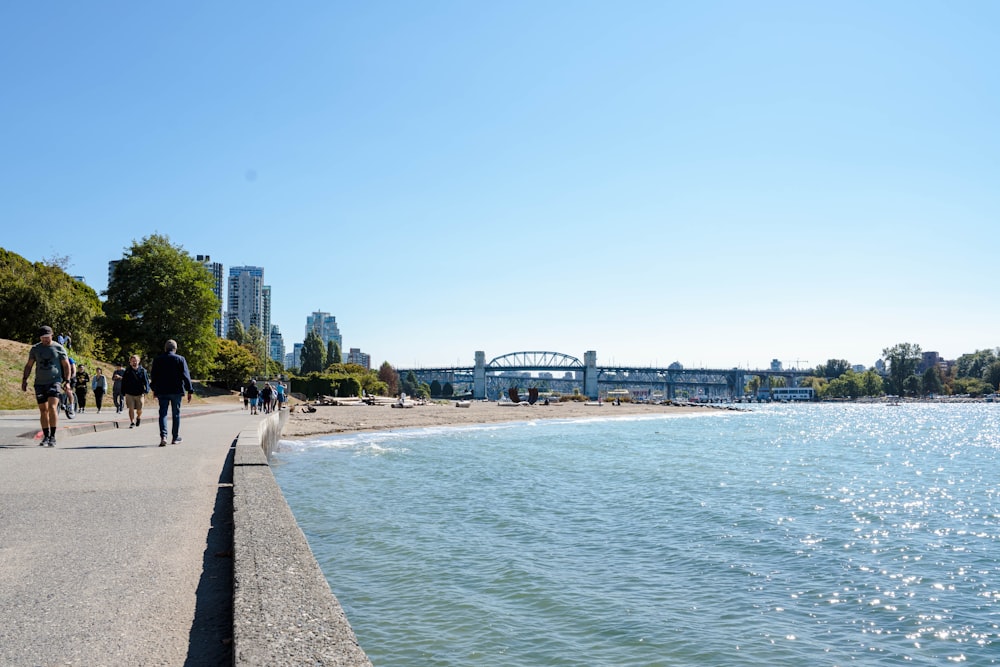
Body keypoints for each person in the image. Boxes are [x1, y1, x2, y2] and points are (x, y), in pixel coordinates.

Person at [21, 326, 71, 447]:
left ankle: (53, 437)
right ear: (40, 338)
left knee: (52, 407)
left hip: (55, 381)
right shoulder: (35, 349)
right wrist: (24, 380)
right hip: (39, 382)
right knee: (43, 410)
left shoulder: (58, 348)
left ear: (52, 336)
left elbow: (66, 365)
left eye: (47, 338)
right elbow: (29, 365)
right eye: (43, 338)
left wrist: (67, 381)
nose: (45, 340)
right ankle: (46, 435)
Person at [150, 339, 193, 447]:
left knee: (163, 413)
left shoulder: (158, 360)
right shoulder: (180, 359)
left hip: (162, 390)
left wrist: (154, 389)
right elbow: (186, 376)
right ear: (175, 348)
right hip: (176, 390)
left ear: (165, 348)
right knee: (176, 414)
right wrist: (190, 390)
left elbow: (153, 376)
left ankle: (163, 436)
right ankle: (175, 437)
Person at [122, 354, 150, 428]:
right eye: (133, 361)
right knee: (131, 408)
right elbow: (124, 382)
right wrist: (123, 391)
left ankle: (138, 417)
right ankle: (132, 422)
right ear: (130, 362)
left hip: (139, 393)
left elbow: (146, 381)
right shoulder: (127, 371)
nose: (134, 362)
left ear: (139, 361)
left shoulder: (143, 371)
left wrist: (147, 389)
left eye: (136, 361)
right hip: (129, 393)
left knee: (139, 409)